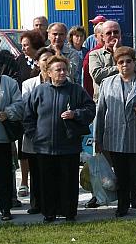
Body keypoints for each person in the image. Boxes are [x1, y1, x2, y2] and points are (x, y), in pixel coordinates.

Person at [23, 55, 95, 222]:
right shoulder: (39, 91)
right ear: (49, 72)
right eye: (58, 70)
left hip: (68, 145)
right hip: (44, 146)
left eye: (64, 69)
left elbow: (90, 109)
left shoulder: (76, 90)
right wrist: (35, 135)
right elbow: (28, 116)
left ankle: (69, 212)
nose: (62, 73)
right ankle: (49, 213)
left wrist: (75, 114)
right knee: (47, 182)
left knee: (68, 181)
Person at [94, 46, 136, 217]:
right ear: (116, 64)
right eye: (120, 62)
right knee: (120, 173)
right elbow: (101, 112)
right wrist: (98, 139)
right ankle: (122, 205)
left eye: (128, 61)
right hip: (114, 136)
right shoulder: (107, 83)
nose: (125, 65)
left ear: (135, 62)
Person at [20, 47, 56, 214]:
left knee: (53, 171)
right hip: (34, 133)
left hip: (55, 135)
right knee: (36, 170)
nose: (47, 63)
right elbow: (27, 109)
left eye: (51, 60)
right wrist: (34, 132)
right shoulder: (28, 84)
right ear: (37, 62)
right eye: (44, 60)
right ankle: (36, 204)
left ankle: (55, 203)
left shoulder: (63, 81)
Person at [0, 50, 24, 221]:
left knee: (3, 175)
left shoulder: (7, 82)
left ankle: (5, 208)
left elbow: (20, 105)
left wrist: (8, 113)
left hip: (0, 137)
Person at [88, 20, 122, 100]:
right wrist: (121, 67)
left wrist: (117, 53)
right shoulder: (94, 54)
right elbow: (97, 75)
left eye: (116, 32)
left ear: (120, 34)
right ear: (102, 37)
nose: (113, 35)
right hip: (103, 101)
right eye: (108, 33)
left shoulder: (132, 52)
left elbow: (134, 70)